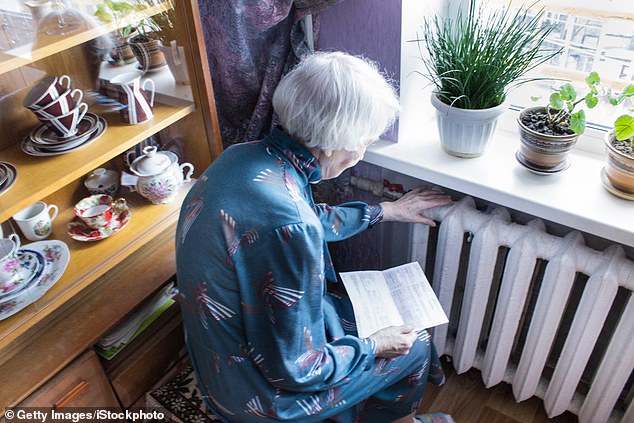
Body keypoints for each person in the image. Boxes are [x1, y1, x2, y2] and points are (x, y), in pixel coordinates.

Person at [175, 52, 454, 423]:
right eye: (366, 141)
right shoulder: (291, 225)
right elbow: (297, 370)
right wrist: (374, 346)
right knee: (415, 345)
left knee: (348, 316)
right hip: (256, 396)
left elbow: (302, 220)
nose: (362, 152)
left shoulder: (246, 158)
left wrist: (387, 210)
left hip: (217, 356)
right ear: (339, 143)